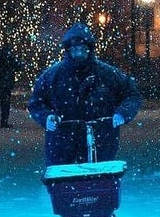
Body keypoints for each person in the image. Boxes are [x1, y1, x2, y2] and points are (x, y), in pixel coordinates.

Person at [28, 22, 142, 166]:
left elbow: (132, 95)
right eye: (74, 48)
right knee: (64, 182)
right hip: (63, 142)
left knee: (99, 181)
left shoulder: (108, 74)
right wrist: (47, 118)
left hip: (100, 140)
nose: (78, 52)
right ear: (68, 50)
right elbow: (36, 103)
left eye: (82, 48)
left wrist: (122, 113)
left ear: (89, 48)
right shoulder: (52, 76)